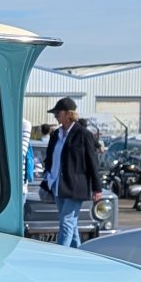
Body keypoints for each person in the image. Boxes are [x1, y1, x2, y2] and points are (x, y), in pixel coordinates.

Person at [40, 97, 103, 248]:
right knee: (71, 224)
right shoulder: (55, 135)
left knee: (66, 222)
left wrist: (97, 187)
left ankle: (60, 256)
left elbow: (91, 161)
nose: (55, 116)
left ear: (68, 114)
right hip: (57, 184)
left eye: (58, 113)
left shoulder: (83, 134)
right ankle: (77, 254)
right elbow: (50, 158)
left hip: (75, 186)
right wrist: (47, 176)